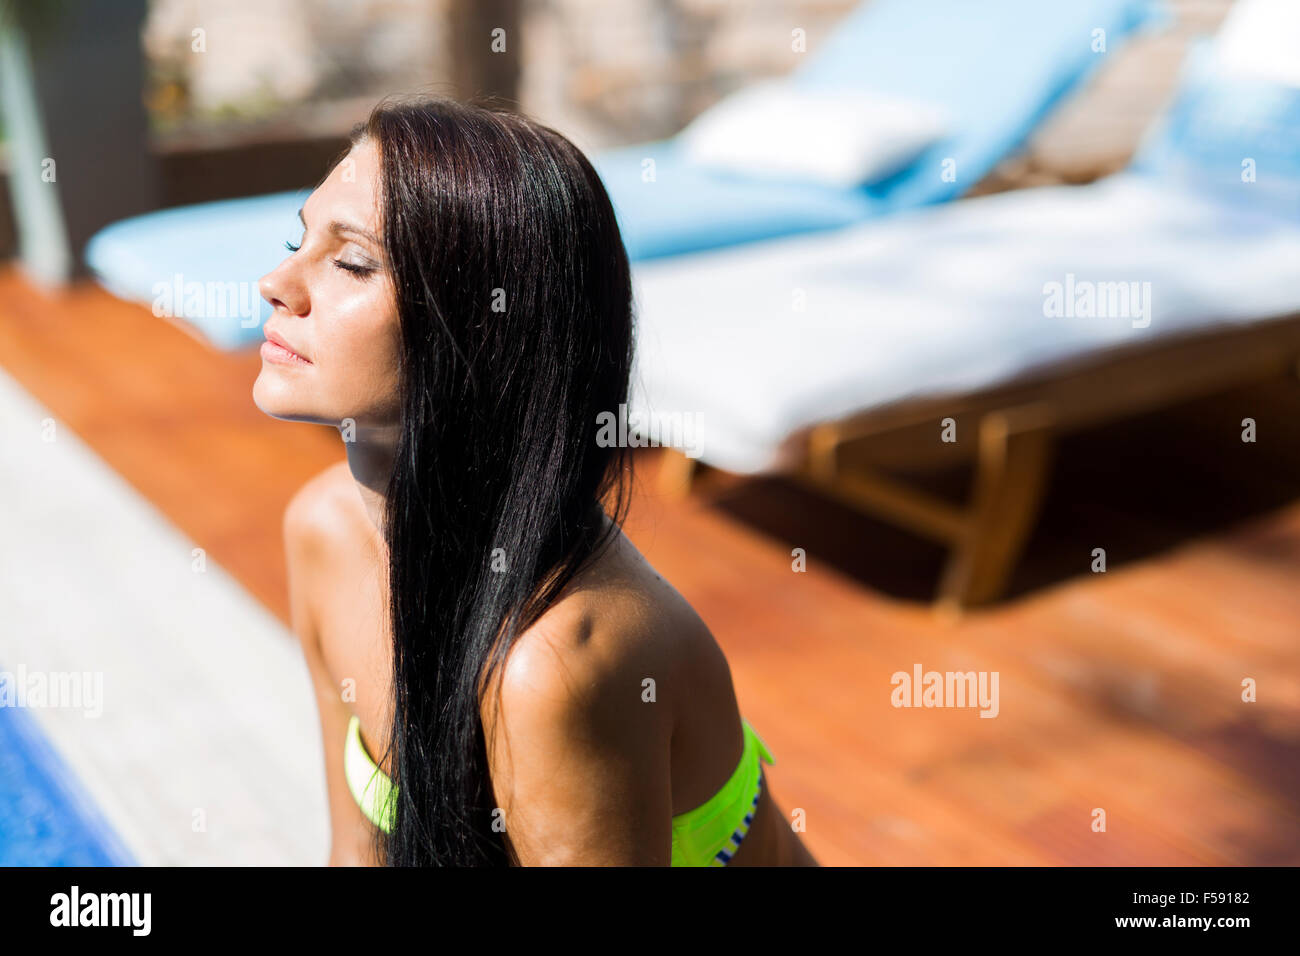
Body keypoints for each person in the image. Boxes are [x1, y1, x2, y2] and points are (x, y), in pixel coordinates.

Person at [254, 95, 818, 867]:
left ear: (485, 327)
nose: (275, 282)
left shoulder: (556, 666)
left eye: (351, 261)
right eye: (299, 239)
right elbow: (356, 855)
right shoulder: (321, 530)